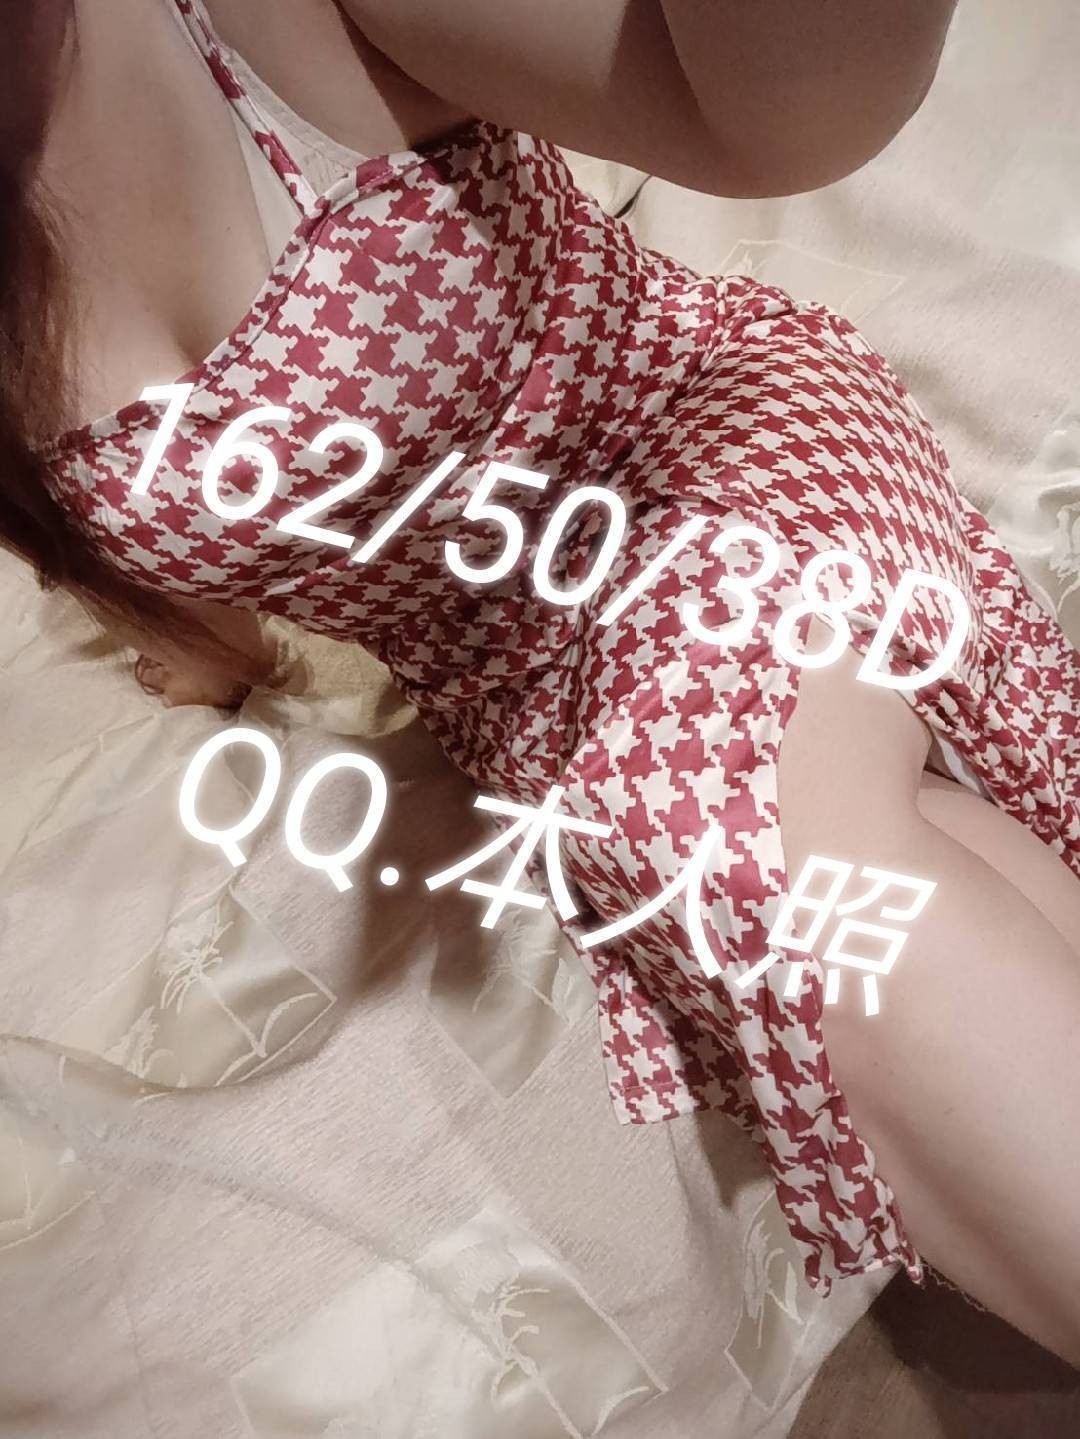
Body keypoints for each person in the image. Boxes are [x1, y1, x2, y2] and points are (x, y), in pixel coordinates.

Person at [4, 0, 1079, 1367]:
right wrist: (207, 663)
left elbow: (775, 117)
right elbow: (175, 602)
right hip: (519, 685)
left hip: (693, 451)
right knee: (800, 855)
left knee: (762, 870)